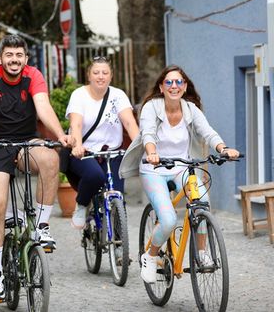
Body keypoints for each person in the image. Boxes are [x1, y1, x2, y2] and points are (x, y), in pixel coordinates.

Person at [118, 65, 240, 284]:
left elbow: (208, 132)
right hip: (154, 169)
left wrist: (223, 148)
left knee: (202, 202)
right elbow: (148, 132)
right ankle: (151, 256)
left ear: (184, 87)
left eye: (178, 82)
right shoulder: (151, 108)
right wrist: (152, 152)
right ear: (161, 87)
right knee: (168, 220)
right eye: (169, 82)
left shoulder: (191, 109)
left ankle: (202, 253)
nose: (174, 86)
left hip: (182, 168)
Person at [0, 34, 72, 300]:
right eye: (9, 55)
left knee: (51, 158)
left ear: (25, 58)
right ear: (0, 58)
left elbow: (43, 107)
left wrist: (60, 134)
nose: (14, 60)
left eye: (19, 55)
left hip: (26, 141)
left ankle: (41, 226)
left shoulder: (33, 75)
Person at [66, 56, 139, 229]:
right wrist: (77, 146)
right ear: (89, 76)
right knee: (95, 176)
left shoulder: (118, 95)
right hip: (85, 152)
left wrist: (141, 147)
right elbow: (75, 124)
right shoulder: (79, 95)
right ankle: (82, 205)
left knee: (118, 197)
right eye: (96, 72)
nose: (101, 76)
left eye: (105, 73)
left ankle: (121, 248)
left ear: (111, 76)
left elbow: (129, 123)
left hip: (112, 153)